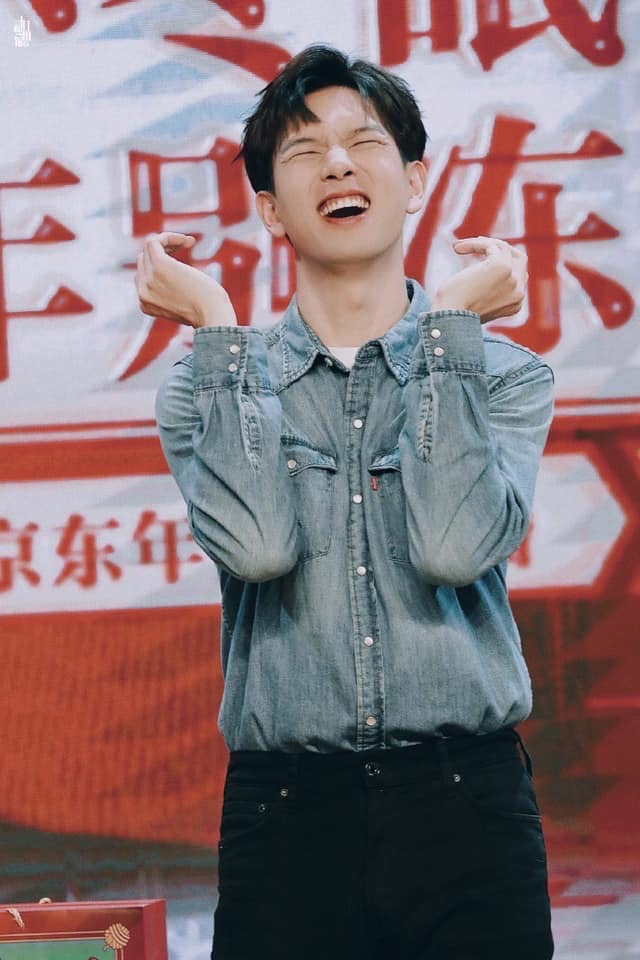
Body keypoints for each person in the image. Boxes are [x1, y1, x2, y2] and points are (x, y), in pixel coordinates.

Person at [136, 44, 554, 960]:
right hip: (287, 817)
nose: (336, 165)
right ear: (269, 210)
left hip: (468, 811)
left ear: (415, 181)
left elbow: (453, 547)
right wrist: (216, 330)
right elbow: (255, 549)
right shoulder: (206, 385)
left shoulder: (504, 375)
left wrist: (450, 333)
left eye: (364, 144)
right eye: (304, 152)